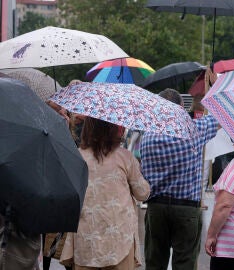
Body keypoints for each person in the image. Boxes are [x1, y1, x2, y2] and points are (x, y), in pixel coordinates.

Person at [140, 88, 218, 270]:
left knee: (154, 262)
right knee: (185, 263)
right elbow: (220, 118)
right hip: (186, 209)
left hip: (156, 208)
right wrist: (213, 89)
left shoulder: (147, 136)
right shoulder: (195, 130)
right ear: (182, 107)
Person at [60, 117, 150, 269]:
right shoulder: (125, 157)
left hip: (86, 239)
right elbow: (143, 193)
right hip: (119, 240)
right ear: (110, 128)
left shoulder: (76, 156)